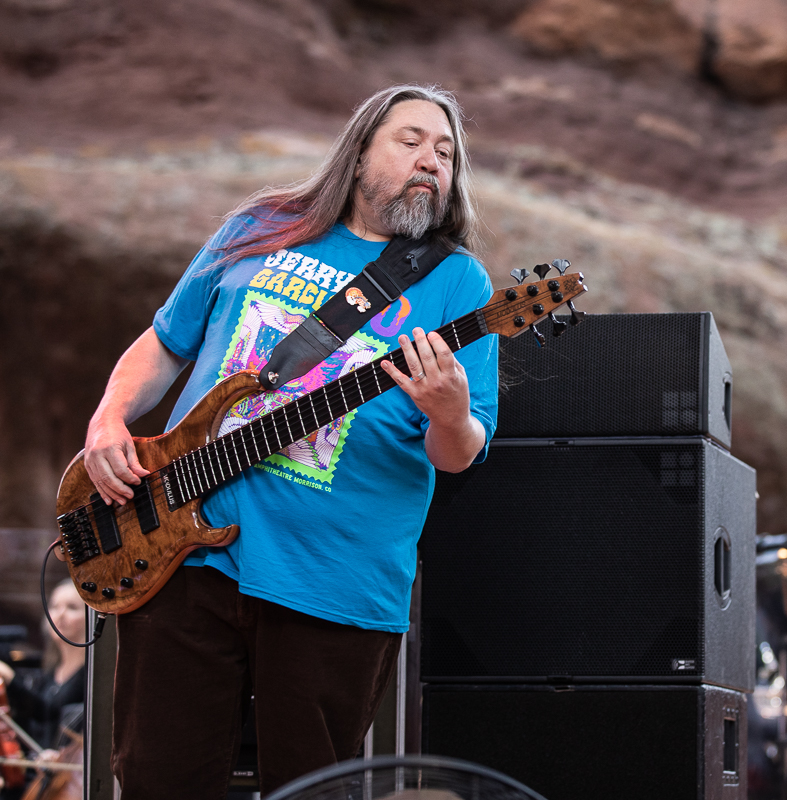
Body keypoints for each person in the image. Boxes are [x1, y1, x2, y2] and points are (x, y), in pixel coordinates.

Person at [76, 85, 498, 797]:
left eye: (447, 152)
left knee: (311, 788)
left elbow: (459, 451)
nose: (432, 159)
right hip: (182, 552)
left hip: (333, 582)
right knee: (156, 777)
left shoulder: (458, 283)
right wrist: (108, 420)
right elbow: (167, 341)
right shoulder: (261, 226)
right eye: (412, 140)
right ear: (360, 150)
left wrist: (450, 412)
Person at [0, 580, 87, 751]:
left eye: (72, 608)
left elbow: (49, 713)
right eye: (55, 607)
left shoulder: (91, 676)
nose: (60, 615)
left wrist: (11, 678)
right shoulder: (49, 672)